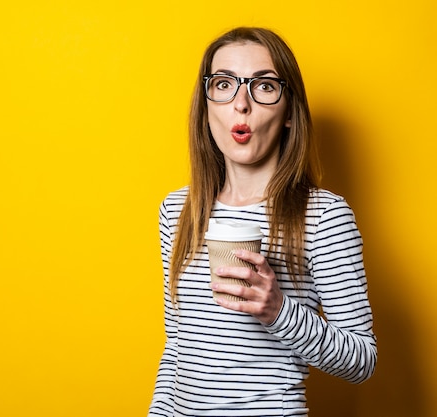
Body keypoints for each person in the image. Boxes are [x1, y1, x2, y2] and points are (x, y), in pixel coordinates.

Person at [147, 27, 377, 416]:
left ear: (289, 112)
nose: (242, 104)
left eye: (264, 86)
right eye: (224, 84)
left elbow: (362, 361)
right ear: (206, 109)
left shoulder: (323, 216)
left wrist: (277, 309)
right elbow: (177, 351)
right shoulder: (177, 210)